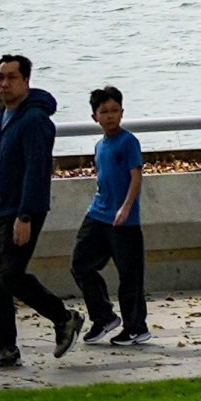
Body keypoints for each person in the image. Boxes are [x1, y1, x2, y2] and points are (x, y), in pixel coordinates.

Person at [0, 52, 79, 369]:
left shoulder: (35, 121)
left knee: (10, 275)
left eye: (12, 77)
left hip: (21, 212)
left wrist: (26, 215)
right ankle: (5, 346)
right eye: (0, 77)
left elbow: (37, 170)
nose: (4, 84)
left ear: (26, 81)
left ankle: (64, 317)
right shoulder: (4, 115)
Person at [71, 84, 152, 346]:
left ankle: (136, 327)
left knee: (130, 276)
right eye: (104, 111)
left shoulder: (129, 142)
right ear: (95, 116)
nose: (110, 116)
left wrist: (126, 207)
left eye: (115, 110)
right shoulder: (99, 145)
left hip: (124, 220)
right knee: (80, 264)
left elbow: (136, 176)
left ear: (122, 112)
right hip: (98, 215)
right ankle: (104, 317)